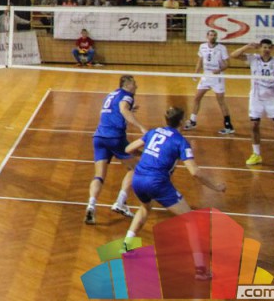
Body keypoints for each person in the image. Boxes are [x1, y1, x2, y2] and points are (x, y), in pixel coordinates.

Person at [123, 107, 226, 265]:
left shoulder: (153, 132)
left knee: (144, 209)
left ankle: (127, 246)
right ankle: (200, 267)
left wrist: (147, 155)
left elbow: (128, 149)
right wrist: (216, 187)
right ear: (182, 121)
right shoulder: (180, 142)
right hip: (157, 183)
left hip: (138, 179)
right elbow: (195, 172)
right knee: (191, 221)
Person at [84, 75, 146, 225]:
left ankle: (91, 204)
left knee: (99, 176)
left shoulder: (111, 94)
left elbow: (113, 110)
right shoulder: (128, 95)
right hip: (115, 137)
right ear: (127, 85)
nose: (136, 87)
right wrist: (141, 127)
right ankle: (120, 201)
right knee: (136, 168)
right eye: (134, 84)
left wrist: (130, 110)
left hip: (99, 137)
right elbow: (123, 109)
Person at [231, 39, 274, 168]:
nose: (266, 49)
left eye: (268, 47)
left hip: (272, 98)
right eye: (264, 47)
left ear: (271, 49)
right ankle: (256, 154)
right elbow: (233, 55)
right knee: (254, 125)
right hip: (256, 98)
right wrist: (247, 46)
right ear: (260, 48)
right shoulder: (253, 59)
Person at [185, 29, 234, 135]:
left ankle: (228, 126)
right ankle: (193, 121)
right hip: (206, 77)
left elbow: (227, 64)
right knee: (197, 98)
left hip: (217, 78)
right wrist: (196, 73)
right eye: (211, 35)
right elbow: (200, 61)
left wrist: (219, 70)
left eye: (214, 35)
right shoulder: (202, 46)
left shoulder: (222, 48)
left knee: (221, 101)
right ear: (207, 36)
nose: (213, 37)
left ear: (216, 37)